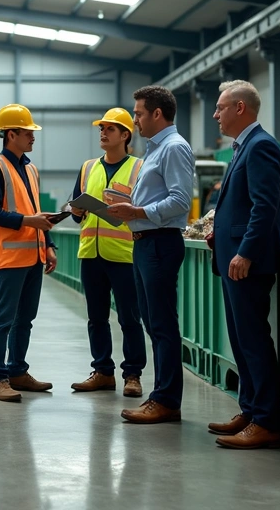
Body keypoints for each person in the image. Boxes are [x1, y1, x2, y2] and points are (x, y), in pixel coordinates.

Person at [106, 86, 195, 424]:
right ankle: (161, 396)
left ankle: (167, 400)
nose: (135, 120)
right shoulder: (154, 151)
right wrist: (127, 206)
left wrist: (138, 211)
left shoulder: (174, 148)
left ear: (158, 113)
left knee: (162, 325)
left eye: (139, 113)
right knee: (153, 323)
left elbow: (180, 200)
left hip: (160, 243)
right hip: (144, 242)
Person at [208, 81, 280, 449]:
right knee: (241, 341)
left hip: (247, 264)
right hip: (233, 260)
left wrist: (246, 252)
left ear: (240, 108)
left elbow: (264, 206)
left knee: (254, 341)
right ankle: (251, 409)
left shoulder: (261, 146)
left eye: (220, 107)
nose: (215, 114)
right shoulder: (243, 147)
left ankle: (267, 422)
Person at [67, 108, 148, 398]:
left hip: (124, 255)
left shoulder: (140, 168)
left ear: (125, 135)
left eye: (109, 129)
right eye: (101, 128)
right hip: (91, 253)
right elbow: (76, 212)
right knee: (96, 317)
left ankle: (132, 375)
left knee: (129, 318)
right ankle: (102, 371)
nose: (103, 133)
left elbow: (145, 211)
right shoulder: (88, 167)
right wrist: (76, 210)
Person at [0, 104, 58, 403]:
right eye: (27, 132)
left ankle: (17, 371)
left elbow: (35, 211)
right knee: (4, 319)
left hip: (34, 256)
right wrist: (28, 222)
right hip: (11, 257)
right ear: (10, 134)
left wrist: (48, 244)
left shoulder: (30, 169)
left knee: (25, 318)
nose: (32, 137)